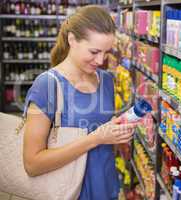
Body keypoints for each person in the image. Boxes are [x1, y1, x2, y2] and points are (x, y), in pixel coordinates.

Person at [22, 5, 136, 200]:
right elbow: (32, 164)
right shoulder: (47, 85)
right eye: (94, 51)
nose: (100, 60)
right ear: (72, 40)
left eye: (106, 52)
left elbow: (104, 137)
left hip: (106, 187)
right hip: (69, 192)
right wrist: (96, 138)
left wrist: (117, 132)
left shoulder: (106, 80)